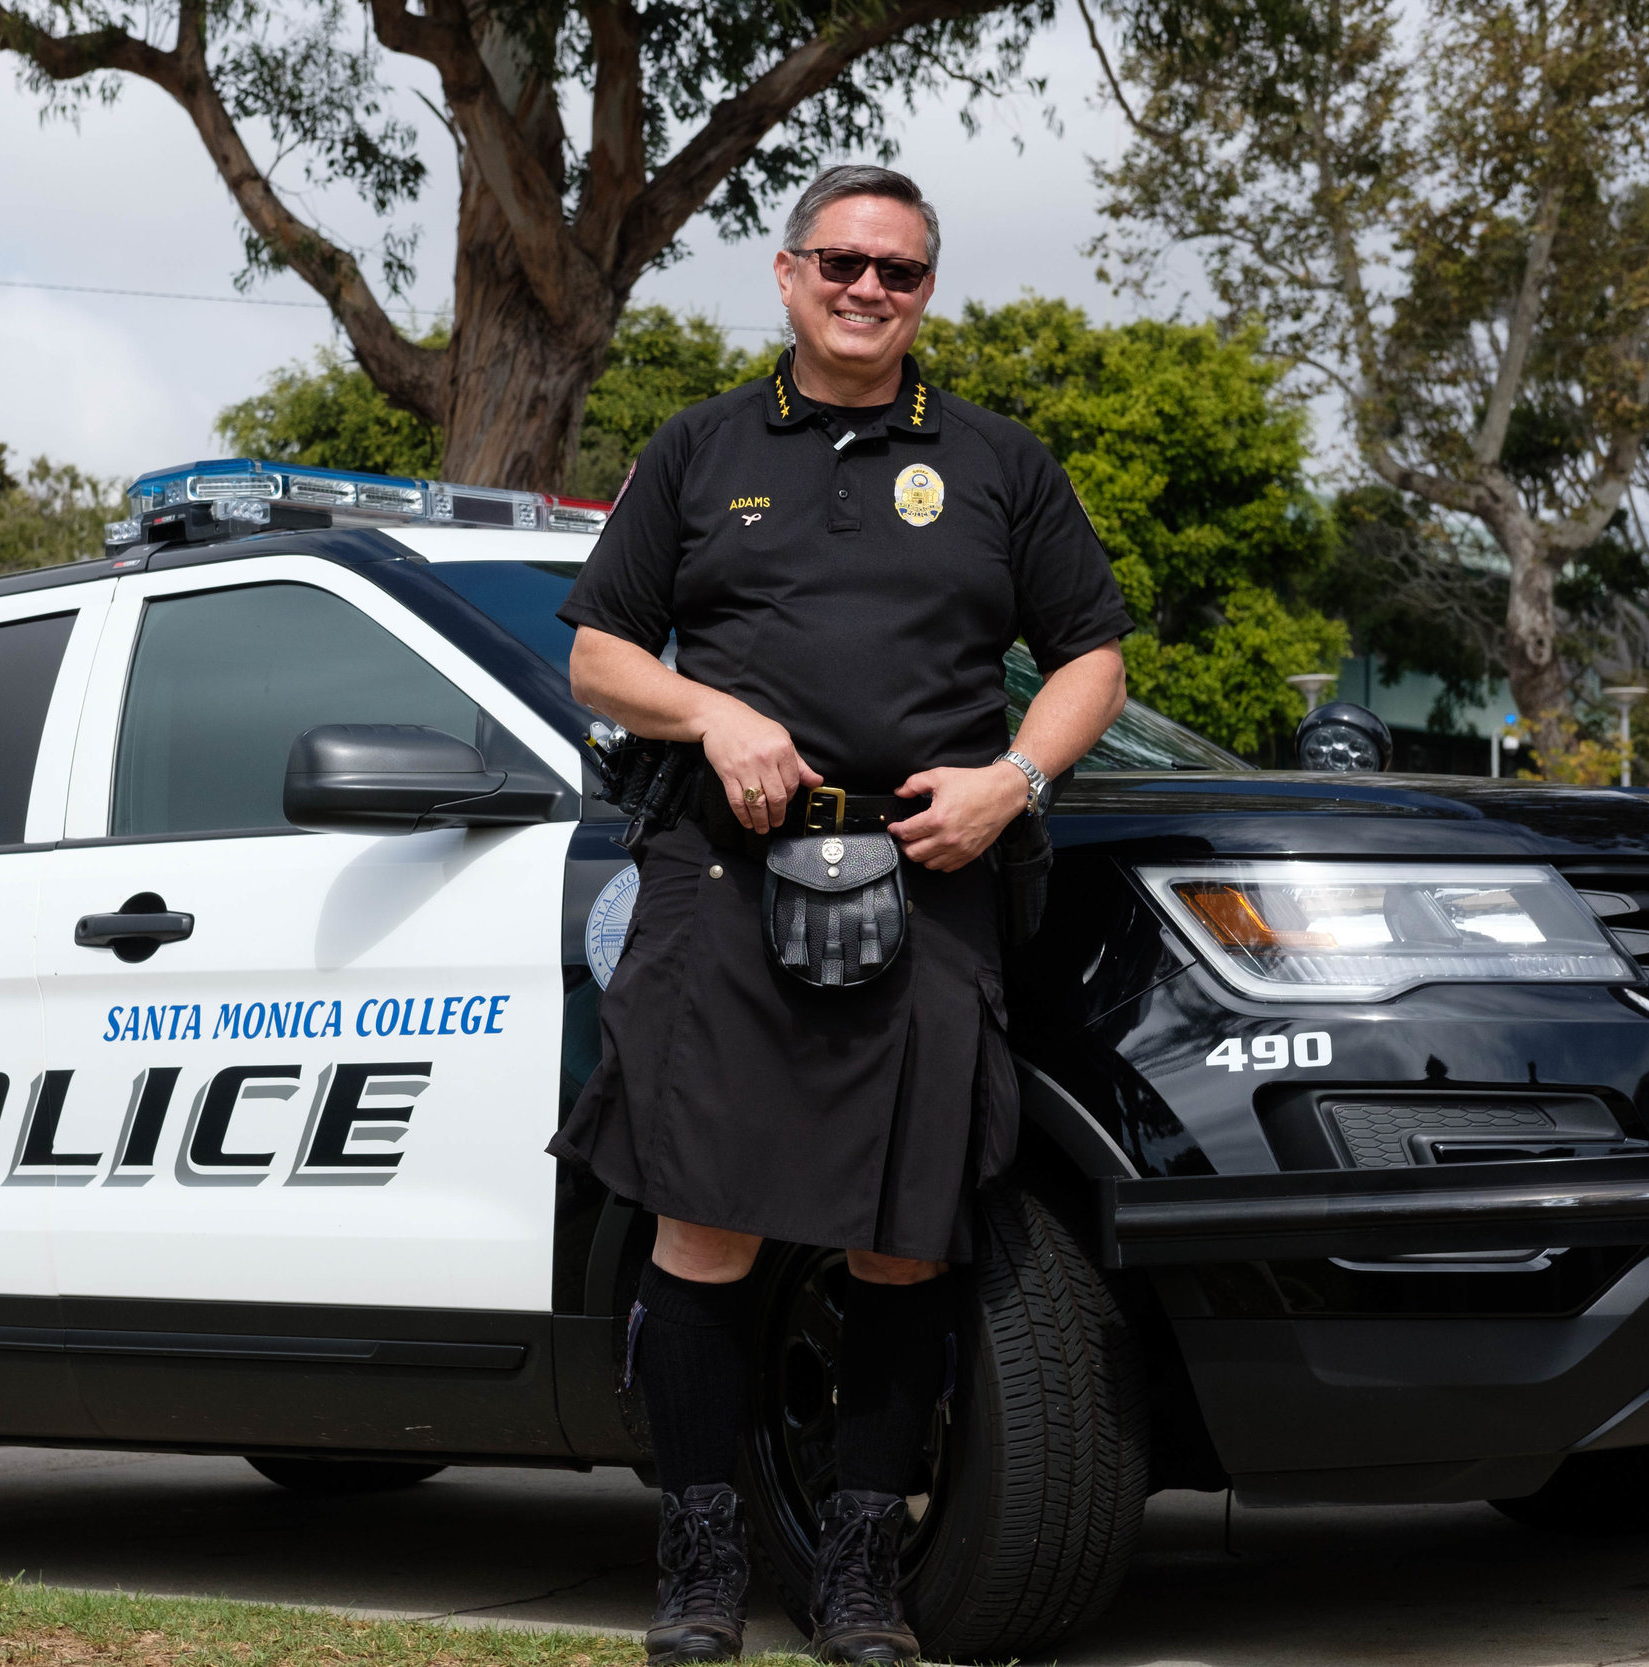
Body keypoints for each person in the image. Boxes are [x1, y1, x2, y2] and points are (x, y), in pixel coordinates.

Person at [552, 163, 1133, 1665]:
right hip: (726, 878)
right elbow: (601, 659)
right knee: (707, 1229)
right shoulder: (698, 448)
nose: (869, 290)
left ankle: (865, 1572)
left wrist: (1015, 776)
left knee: (904, 1241)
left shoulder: (1001, 463)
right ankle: (698, 1566)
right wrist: (714, 715)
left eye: (900, 271)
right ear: (787, 272)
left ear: (927, 289)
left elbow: (1091, 661)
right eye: (843, 263)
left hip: (927, 878)